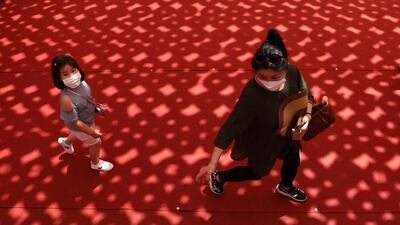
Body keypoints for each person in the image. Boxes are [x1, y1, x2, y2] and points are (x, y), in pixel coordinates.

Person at [196, 28, 314, 202]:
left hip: (290, 133)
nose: (268, 82)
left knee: (293, 160)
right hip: (263, 141)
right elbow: (230, 127)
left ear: (285, 68)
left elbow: (306, 95)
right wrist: (212, 164)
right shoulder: (252, 96)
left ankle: (286, 186)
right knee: (256, 173)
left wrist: (307, 115)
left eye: (275, 77)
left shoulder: (293, 72)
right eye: (261, 77)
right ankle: (220, 178)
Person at [51, 54, 113, 172]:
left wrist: (95, 108)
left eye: (74, 70)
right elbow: (75, 122)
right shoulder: (66, 99)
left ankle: (66, 142)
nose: (72, 76)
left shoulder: (82, 84)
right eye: (65, 74)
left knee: (77, 134)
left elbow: (86, 99)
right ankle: (95, 163)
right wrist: (92, 132)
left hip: (86, 121)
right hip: (81, 125)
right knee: (96, 143)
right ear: (59, 78)